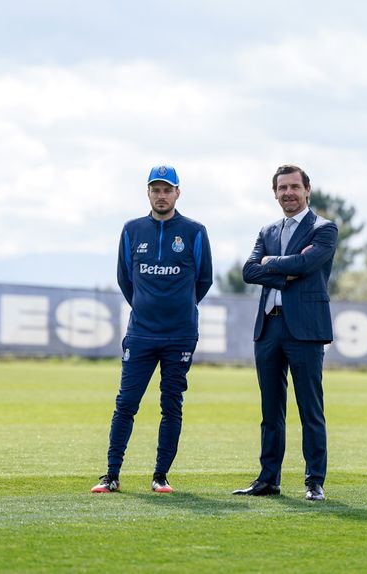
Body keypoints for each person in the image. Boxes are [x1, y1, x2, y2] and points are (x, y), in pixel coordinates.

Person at [91, 165, 213, 494]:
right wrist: (145, 306)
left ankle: (160, 476)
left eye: (167, 189)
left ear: (177, 193)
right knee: (126, 403)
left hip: (180, 335)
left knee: (171, 404)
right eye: (155, 189)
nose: (161, 195)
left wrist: (180, 306)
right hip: (141, 334)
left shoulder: (194, 231)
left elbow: (204, 280)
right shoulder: (131, 230)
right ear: (148, 192)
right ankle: (112, 475)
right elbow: (124, 278)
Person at [233, 164, 338, 501]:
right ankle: (268, 480)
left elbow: (307, 266)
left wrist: (271, 264)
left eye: (294, 187)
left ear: (308, 190)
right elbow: (249, 271)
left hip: (305, 330)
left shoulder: (324, 229)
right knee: (271, 410)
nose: (288, 193)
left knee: (310, 408)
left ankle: (314, 481)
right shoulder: (267, 231)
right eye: (282, 188)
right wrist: (283, 270)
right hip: (269, 327)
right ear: (275, 193)